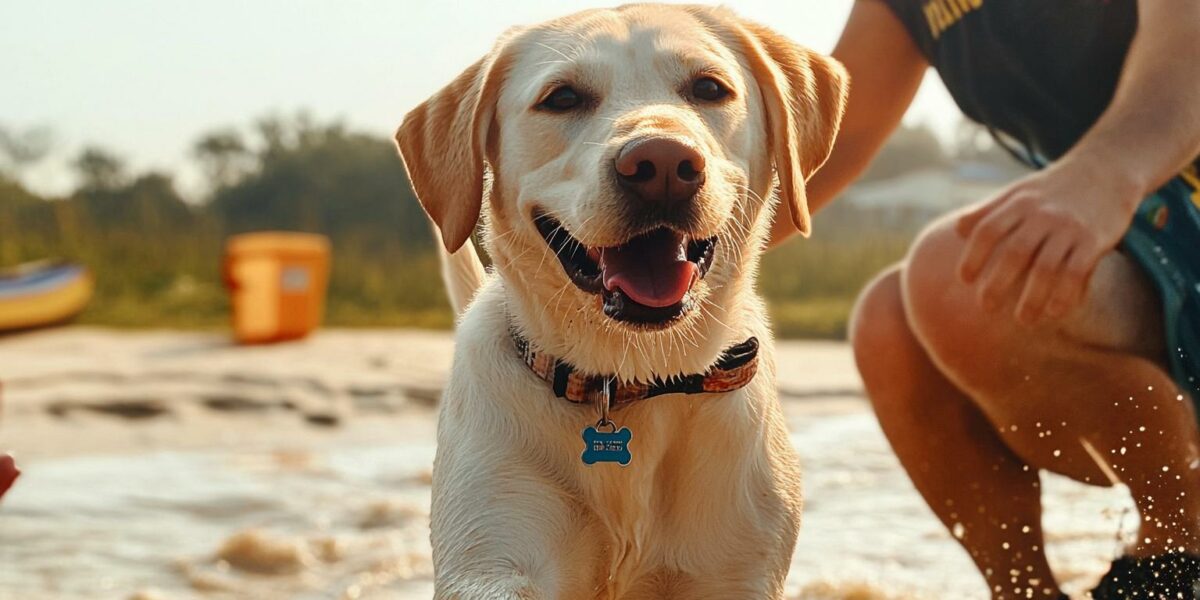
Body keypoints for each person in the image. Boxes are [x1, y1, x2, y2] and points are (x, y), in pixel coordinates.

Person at [769, 1, 1200, 598]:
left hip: (1156, 194)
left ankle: (1178, 551)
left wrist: (1105, 174)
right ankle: (1024, 590)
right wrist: (653, 252)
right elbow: (821, 150)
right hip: (1135, 229)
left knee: (961, 277)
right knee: (886, 323)